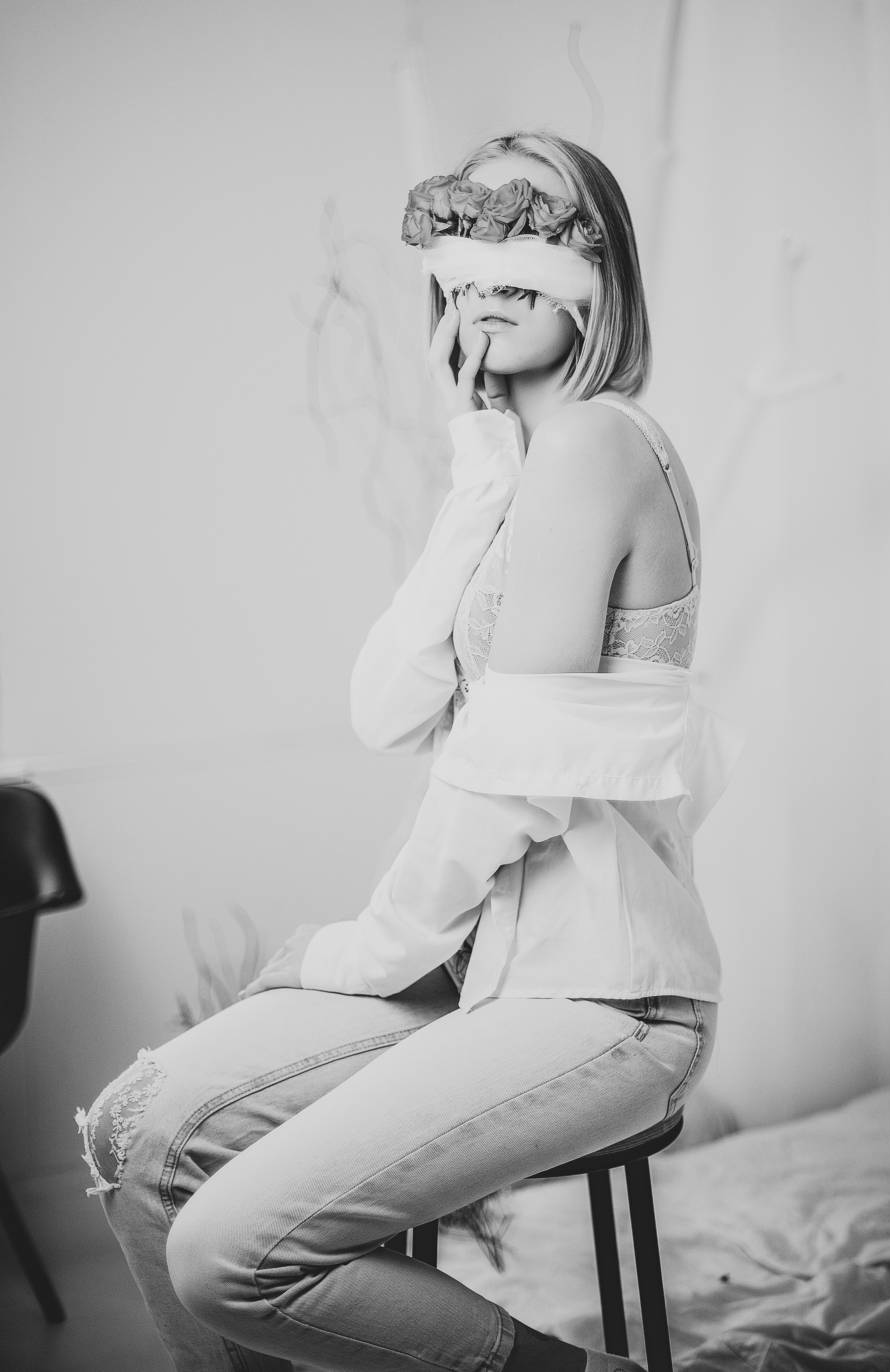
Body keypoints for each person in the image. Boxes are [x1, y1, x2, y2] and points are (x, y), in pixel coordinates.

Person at [75, 130, 743, 1372]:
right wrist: (474, 460)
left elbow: (512, 782)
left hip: (607, 996)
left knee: (227, 1254)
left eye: (531, 228)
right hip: (478, 969)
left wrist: (361, 951)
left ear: (597, 266)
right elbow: (387, 706)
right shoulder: (524, 466)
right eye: (466, 238)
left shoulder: (598, 443)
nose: (493, 264)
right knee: (132, 1136)